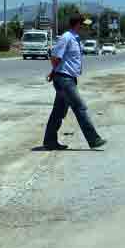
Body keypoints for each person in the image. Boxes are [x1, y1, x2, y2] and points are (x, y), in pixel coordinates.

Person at [43, 14, 107, 150]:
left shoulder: (75, 38)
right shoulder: (66, 37)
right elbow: (55, 57)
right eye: (84, 25)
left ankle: (49, 141)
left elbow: (64, 60)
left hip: (67, 78)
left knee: (58, 112)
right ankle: (94, 139)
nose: (86, 28)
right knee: (80, 107)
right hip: (64, 79)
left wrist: (54, 72)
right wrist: (55, 72)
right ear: (78, 24)